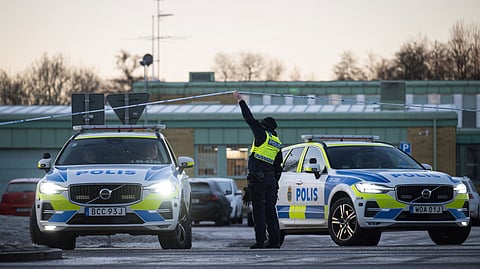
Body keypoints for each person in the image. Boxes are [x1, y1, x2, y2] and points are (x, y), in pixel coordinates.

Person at [233, 91, 283, 249]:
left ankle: (261, 241)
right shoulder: (276, 142)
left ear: (264, 126)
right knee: (270, 211)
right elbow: (278, 166)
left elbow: (249, 118)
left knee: (259, 212)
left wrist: (240, 101)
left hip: (258, 179)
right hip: (271, 181)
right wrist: (275, 182)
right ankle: (275, 240)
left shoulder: (262, 135)